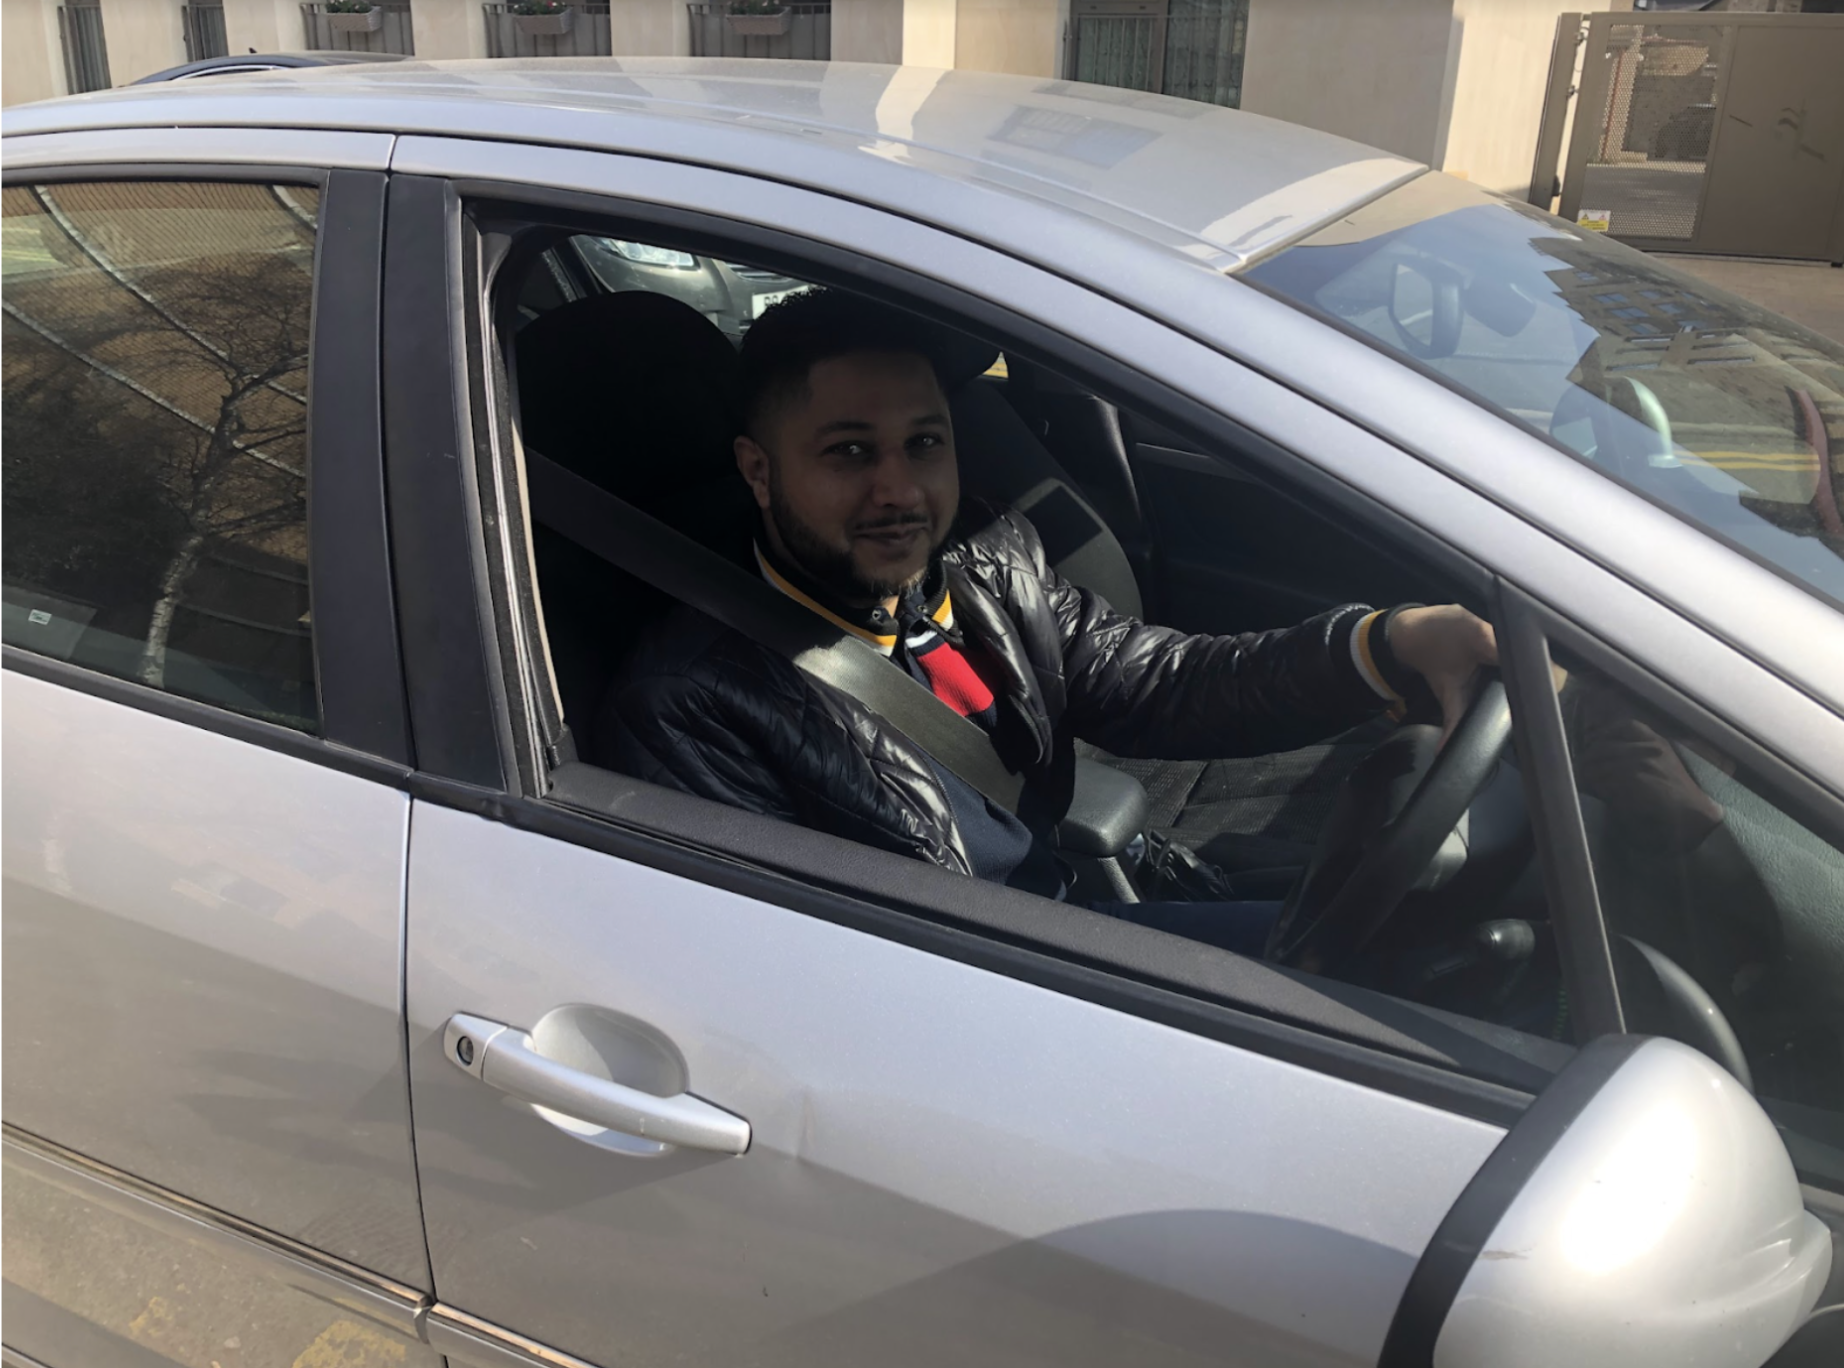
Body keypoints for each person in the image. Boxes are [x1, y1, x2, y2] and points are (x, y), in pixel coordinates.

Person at [598, 290, 1497, 947]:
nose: (901, 489)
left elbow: (1157, 681)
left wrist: (1381, 645)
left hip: (1062, 921)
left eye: (925, 442)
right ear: (758, 472)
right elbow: (804, 969)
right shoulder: (691, 704)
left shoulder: (985, 560)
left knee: (1433, 947)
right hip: (993, 991)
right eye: (848, 452)